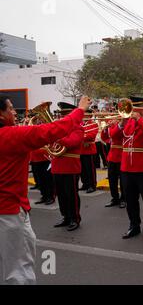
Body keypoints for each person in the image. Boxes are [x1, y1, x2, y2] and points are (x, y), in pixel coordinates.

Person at [0, 95, 91, 285]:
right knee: (19, 271)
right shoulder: (10, 135)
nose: (14, 112)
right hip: (8, 211)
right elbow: (52, 130)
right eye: (10, 108)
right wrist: (80, 110)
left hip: (10, 208)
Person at [118, 97, 143, 241]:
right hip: (127, 167)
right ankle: (134, 226)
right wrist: (121, 123)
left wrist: (139, 120)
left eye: (136, 107)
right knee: (130, 199)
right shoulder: (128, 122)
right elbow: (118, 137)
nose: (132, 110)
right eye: (131, 107)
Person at [51, 124, 85, 231]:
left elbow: (71, 142)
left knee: (71, 194)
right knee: (60, 194)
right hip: (57, 166)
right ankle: (65, 216)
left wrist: (55, 136)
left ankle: (75, 219)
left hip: (70, 166)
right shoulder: (60, 129)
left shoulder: (78, 129)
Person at [101, 120, 126, 209]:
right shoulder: (113, 124)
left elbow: (114, 134)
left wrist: (118, 124)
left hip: (122, 155)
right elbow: (105, 138)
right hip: (112, 155)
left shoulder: (124, 124)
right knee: (112, 179)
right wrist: (104, 129)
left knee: (123, 180)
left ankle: (124, 198)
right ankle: (114, 198)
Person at [80, 113, 98, 193]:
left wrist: (81, 137)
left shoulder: (93, 123)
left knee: (90, 169)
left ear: (89, 116)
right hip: (81, 149)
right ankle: (85, 184)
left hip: (89, 149)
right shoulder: (80, 123)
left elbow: (92, 135)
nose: (83, 116)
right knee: (82, 169)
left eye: (85, 115)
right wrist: (83, 137)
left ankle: (92, 185)